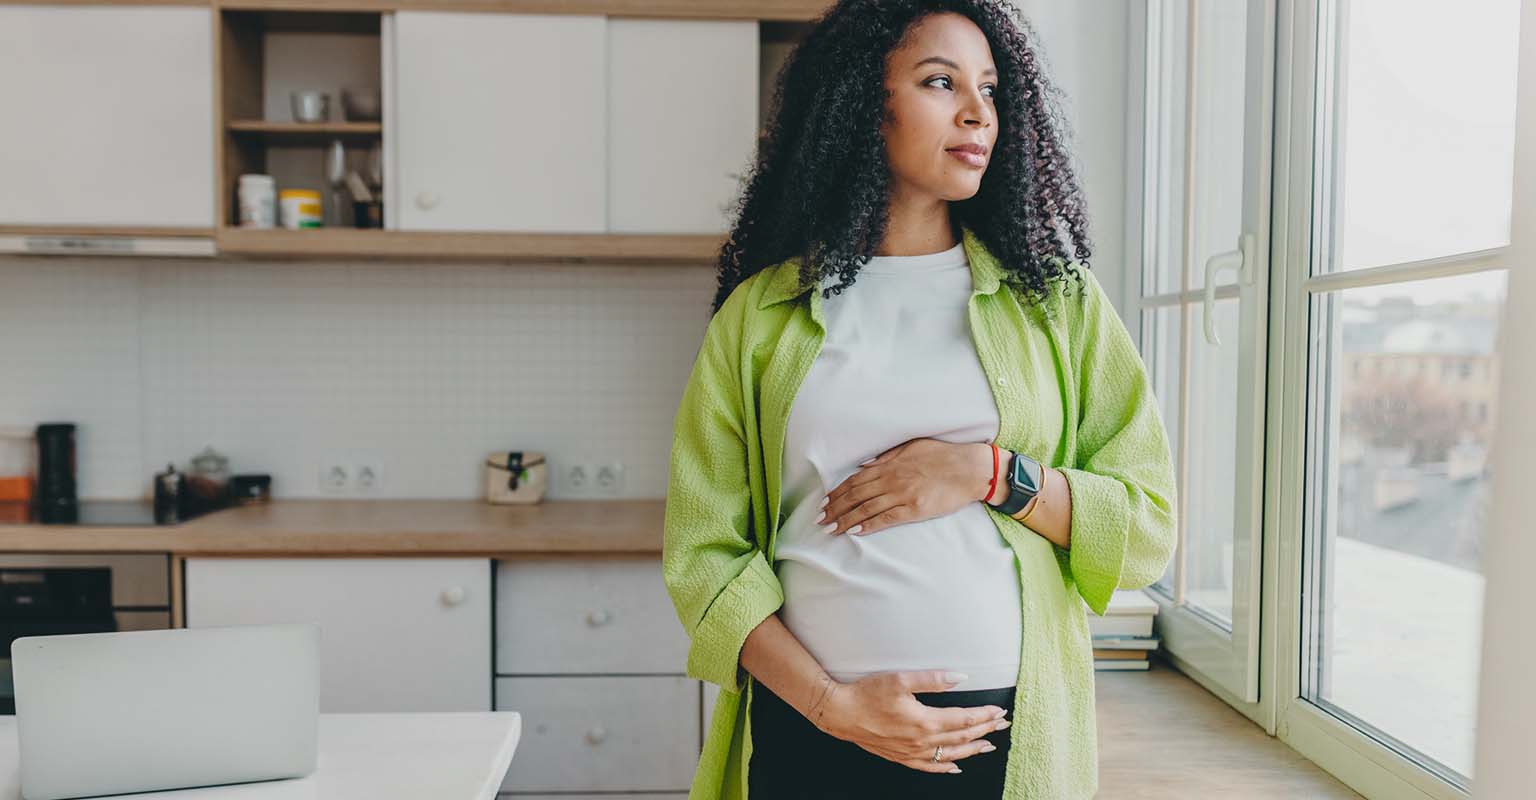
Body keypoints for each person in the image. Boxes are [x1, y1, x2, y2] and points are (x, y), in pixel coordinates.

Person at [661, 1, 1178, 797]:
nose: (978, 112)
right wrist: (832, 705)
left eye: (992, 89)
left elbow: (1145, 524)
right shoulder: (760, 317)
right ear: (865, 108)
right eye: (941, 82)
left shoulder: (1056, 303)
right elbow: (704, 557)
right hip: (812, 721)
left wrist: (990, 473)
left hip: (1002, 729)